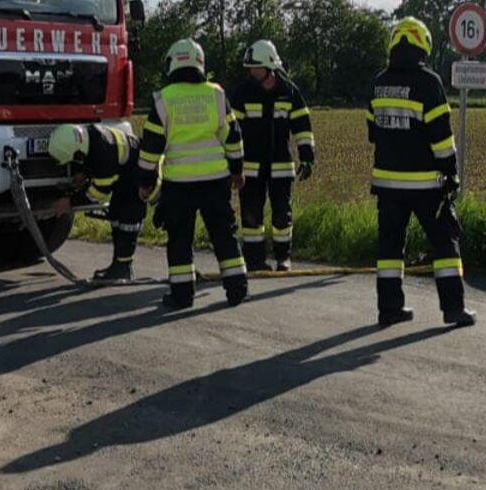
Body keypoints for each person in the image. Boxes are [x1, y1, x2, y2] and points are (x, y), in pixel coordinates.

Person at [366, 17, 475, 328]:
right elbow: (441, 137)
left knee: (389, 249)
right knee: (445, 243)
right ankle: (453, 309)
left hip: (387, 184)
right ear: (422, 44)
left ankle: (389, 309)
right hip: (427, 184)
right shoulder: (428, 83)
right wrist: (451, 173)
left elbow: (372, 132)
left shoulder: (378, 82)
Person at [137, 38, 248, 309]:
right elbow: (233, 138)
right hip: (215, 181)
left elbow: (151, 148)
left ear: (173, 63)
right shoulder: (217, 94)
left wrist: (146, 182)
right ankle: (237, 289)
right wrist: (237, 170)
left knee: (180, 240)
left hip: (179, 184)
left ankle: (182, 295)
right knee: (224, 235)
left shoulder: (164, 99)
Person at [229, 40, 315, 272]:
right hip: (250, 168)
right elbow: (230, 130)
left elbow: (302, 126)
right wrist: (231, 164)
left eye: (255, 67)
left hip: (281, 166)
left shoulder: (289, 91)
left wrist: (307, 155)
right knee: (251, 217)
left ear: (268, 66)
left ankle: (282, 259)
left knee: (281, 216)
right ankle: (255, 261)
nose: (250, 71)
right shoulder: (242, 93)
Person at [48, 122, 145, 282]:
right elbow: (92, 159)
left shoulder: (103, 154)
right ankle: (118, 266)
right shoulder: (89, 135)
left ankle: (123, 269)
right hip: (126, 175)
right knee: (116, 216)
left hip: (138, 178)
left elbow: (98, 193)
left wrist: (70, 203)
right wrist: (85, 173)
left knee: (127, 220)